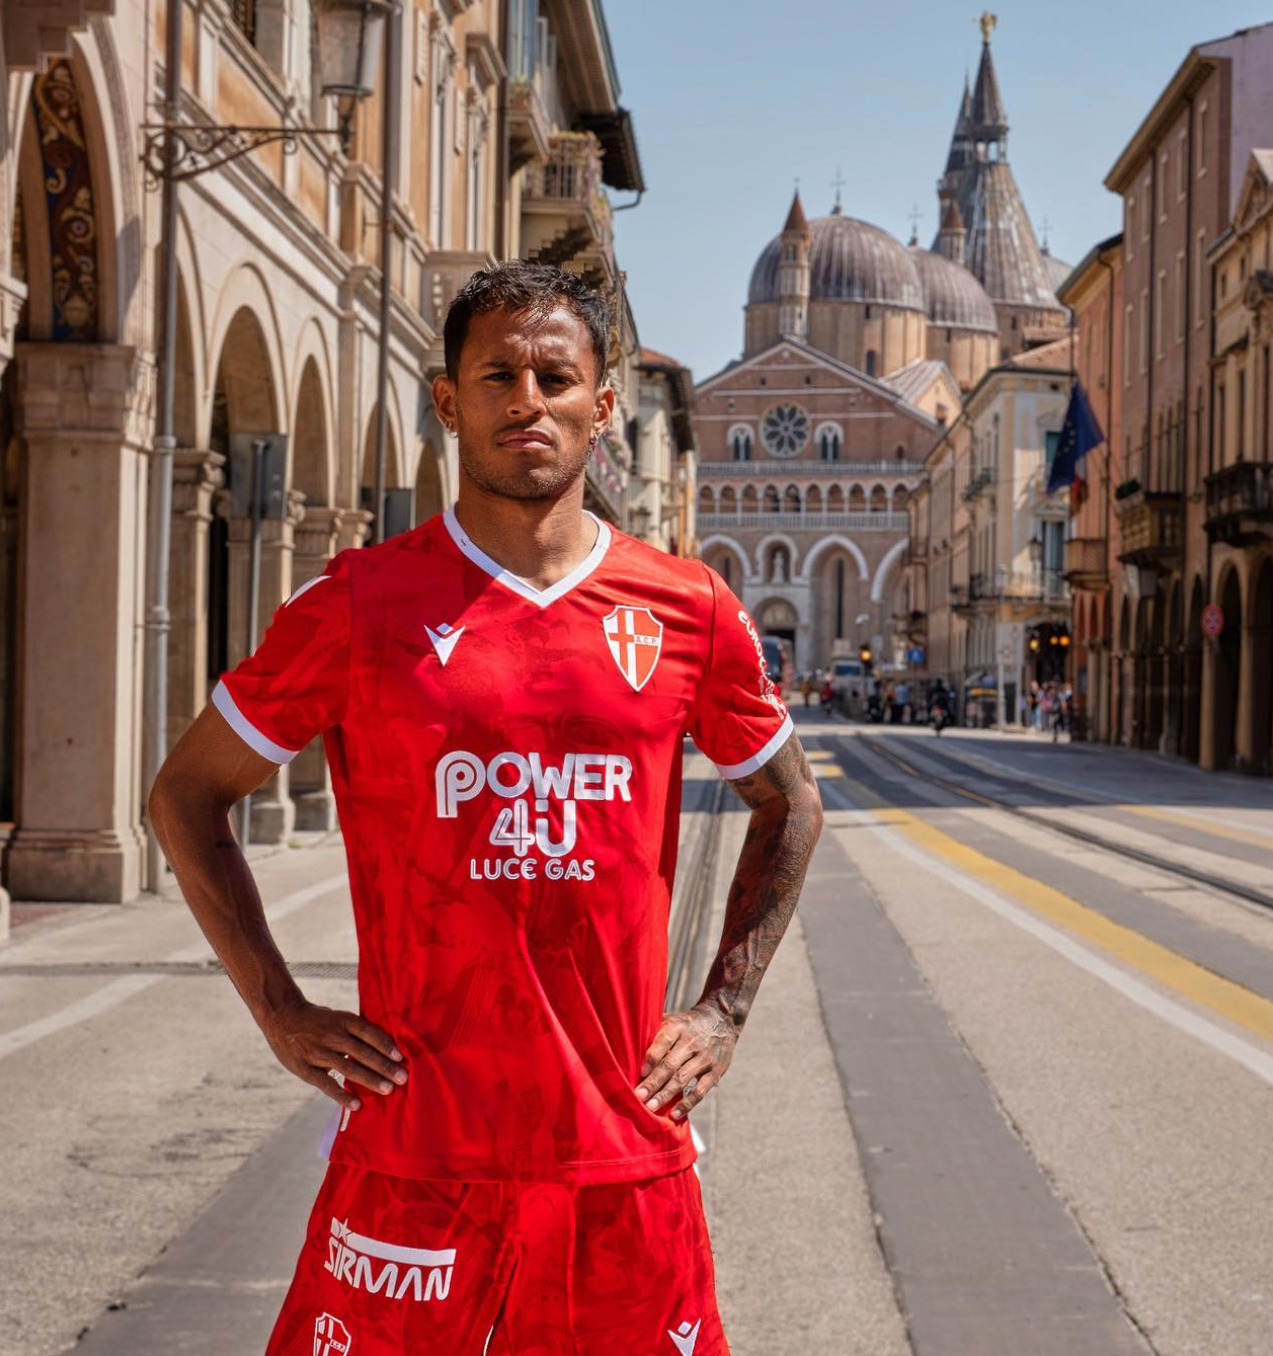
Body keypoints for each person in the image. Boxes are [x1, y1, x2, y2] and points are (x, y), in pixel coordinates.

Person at [149, 262, 824, 1356]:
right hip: (417, 1152)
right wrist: (278, 1007)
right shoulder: (358, 603)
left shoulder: (687, 608)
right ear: (447, 401)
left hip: (621, 1154)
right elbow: (186, 794)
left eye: (555, 377)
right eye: (497, 375)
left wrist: (722, 1012)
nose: (527, 401)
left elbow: (790, 803)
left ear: (602, 405)